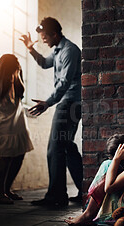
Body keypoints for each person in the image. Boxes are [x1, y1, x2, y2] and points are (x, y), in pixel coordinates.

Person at [19, 17, 83, 206]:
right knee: (68, 147)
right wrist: (31, 49)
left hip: (70, 103)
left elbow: (64, 82)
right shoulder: (58, 50)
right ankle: (85, 190)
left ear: (54, 34)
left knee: (55, 149)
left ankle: (57, 197)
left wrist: (47, 103)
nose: (44, 41)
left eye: (45, 37)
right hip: (68, 102)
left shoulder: (69, 51)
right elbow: (45, 63)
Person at [0, 54, 34, 204]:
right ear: (5, 68)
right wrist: (4, 83)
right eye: (13, 70)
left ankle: (7, 190)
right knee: (6, 154)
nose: (16, 71)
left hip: (16, 113)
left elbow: (21, 93)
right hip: (0, 114)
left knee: (20, 152)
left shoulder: (16, 71)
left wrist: (17, 76)